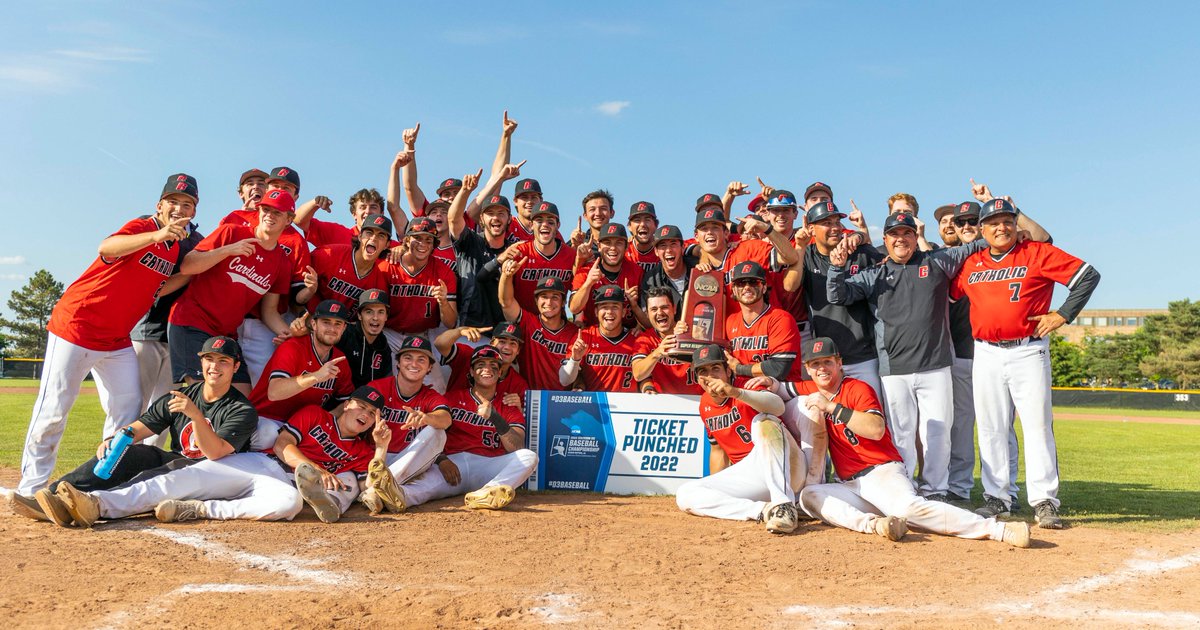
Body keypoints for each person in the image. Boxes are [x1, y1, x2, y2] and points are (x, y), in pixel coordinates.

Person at [17, 174, 198, 496]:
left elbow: (158, 287)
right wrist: (156, 234)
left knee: (127, 413)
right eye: (173, 201)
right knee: (54, 410)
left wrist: (186, 274)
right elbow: (107, 246)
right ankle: (30, 488)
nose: (179, 208)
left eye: (187, 204)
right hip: (77, 327)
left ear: (193, 213)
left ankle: (102, 482)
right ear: (160, 206)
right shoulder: (144, 227)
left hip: (116, 340)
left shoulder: (174, 250)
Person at [769, 337, 1031, 546]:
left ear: (839, 363)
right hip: (850, 485)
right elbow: (780, 389)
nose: (821, 369)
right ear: (808, 369)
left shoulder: (857, 388)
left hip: (882, 472)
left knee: (910, 509)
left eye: (827, 362)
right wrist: (767, 382)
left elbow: (875, 428)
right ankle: (876, 525)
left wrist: (832, 408)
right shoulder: (811, 388)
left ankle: (997, 529)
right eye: (815, 365)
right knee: (810, 495)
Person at [38, 385, 393, 526]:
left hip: (283, 487)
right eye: (360, 406)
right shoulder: (315, 414)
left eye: (371, 414)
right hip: (262, 463)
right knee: (181, 478)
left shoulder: (361, 452)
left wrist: (379, 447)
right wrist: (312, 467)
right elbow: (284, 445)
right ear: (348, 404)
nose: (364, 415)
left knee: (288, 505)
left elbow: (372, 480)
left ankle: (201, 510)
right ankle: (95, 504)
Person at [951, 198, 1100, 528]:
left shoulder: (1036, 253)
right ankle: (997, 498)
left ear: (1016, 226)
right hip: (985, 352)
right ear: (982, 230)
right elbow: (946, 293)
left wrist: (1063, 313)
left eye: (1007, 221)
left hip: (1028, 349)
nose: (1001, 227)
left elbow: (1087, 275)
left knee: (1036, 426)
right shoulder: (972, 262)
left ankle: (1044, 500)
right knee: (991, 427)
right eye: (993, 222)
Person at [11, 335, 258, 524]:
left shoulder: (241, 409)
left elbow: (215, 453)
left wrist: (194, 415)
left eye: (223, 361)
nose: (215, 367)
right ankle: (51, 496)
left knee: (155, 475)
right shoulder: (183, 395)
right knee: (132, 453)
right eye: (209, 359)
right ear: (201, 362)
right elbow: (140, 427)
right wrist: (115, 440)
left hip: (215, 473)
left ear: (235, 367)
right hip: (180, 461)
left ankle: (89, 505)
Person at [827, 211, 986, 499]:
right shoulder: (875, 273)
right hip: (894, 369)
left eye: (907, 233)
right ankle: (903, 489)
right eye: (894, 234)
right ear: (885, 240)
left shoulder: (936, 262)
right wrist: (836, 267)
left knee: (936, 434)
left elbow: (977, 245)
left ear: (916, 237)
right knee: (901, 435)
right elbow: (838, 295)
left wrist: (1015, 232)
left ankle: (935, 490)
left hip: (935, 366)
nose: (901, 239)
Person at [168, 188, 304, 393]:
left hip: (225, 334)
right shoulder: (232, 232)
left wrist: (289, 334)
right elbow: (188, 266)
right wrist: (228, 250)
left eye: (277, 212)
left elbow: (269, 311)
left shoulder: (282, 263)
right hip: (191, 322)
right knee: (204, 398)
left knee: (242, 400)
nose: (269, 215)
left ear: (289, 219)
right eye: (265, 209)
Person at [674, 344, 808, 535]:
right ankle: (765, 511)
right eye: (703, 371)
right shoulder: (704, 404)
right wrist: (715, 488)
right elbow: (718, 451)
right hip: (750, 475)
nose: (710, 376)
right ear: (697, 377)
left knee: (765, 421)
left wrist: (735, 392)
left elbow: (778, 407)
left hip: (786, 465)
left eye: (716, 369)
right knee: (685, 494)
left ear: (728, 371)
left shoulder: (747, 385)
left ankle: (784, 505)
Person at [393, 346, 538, 511]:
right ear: (472, 371)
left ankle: (486, 494)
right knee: (421, 489)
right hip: (454, 464)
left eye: (493, 366)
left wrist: (495, 417)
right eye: (481, 365)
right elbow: (430, 435)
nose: (487, 369)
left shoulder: (507, 404)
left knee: (529, 457)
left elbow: (517, 447)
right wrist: (441, 460)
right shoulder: (452, 398)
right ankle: (390, 496)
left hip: (489, 466)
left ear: (499, 373)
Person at [220, 167, 314, 386]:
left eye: (287, 188)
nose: (279, 190)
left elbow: (295, 296)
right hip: (227, 315)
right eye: (275, 185)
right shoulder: (237, 220)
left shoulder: (295, 241)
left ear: (295, 197)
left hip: (265, 322)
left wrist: (309, 290)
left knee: (256, 383)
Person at [796, 201, 885, 398]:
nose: (835, 227)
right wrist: (800, 247)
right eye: (827, 223)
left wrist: (861, 234)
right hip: (826, 360)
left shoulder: (861, 253)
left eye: (837, 221)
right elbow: (790, 285)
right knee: (834, 423)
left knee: (875, 418)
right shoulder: (807, 256)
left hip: (864, 356)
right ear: (811, 229)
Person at [360, 335, 453, 512]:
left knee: (438, 432)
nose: (414, 364)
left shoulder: (430, 396)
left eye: (421, 359)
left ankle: (374, 489)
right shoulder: (377, 388)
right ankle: (383, 493)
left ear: (429, 368)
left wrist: (426, 418)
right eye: (408, 358)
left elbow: (445, 419)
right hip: (377, 457)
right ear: (398, 363)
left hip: (411, 459)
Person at [247, 300, 355, 450]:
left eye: (338, 323)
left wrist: (323, 419)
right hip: (265, 418)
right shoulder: (293, 347)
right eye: (326, 322)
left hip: (299, 426)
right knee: (269, 435)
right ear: (314, 324)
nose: (332, 328)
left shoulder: (340, 360)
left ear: (344, 328)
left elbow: (345, 403)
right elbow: (274, 392)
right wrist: (316, 376)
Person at [725, 261, 804, 383]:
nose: (747, 287)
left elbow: (778, 369)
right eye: (741, 283)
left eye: (753, 282)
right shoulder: (730, 322)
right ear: (734, 290)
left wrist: (739, 369)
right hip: (744, 390)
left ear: (764, 287)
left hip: (781, 389)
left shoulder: (780, 319)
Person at [498, 274, 578, 391]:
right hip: (528, 397)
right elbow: (506, 302)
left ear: (563, 302)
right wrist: (506, 275)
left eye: (555, 297)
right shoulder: (528, 321)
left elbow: (573, 375)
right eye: (544, 297)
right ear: (536, 300)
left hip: (562, 401)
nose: (549, 302)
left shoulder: (574, 332)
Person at [560, 285, 643, 392]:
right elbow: (564, 380)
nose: (609, 311)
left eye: (615, 307)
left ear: (623, 312)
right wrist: (574, 360)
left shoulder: (636, 339)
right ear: (596, 312)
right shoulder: (584, 337)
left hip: (628, 405)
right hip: (595, 405)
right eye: (604, 307)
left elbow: (646, 377)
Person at [306, 214, 391, 317]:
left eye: (381, 236)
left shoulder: (379, 282)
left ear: (387, 245)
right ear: (360, 236)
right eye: (369, 233)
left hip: (343, 327)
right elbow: (295, 286)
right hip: (306, 316)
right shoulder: (329, 254)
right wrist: (303, 313)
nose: (373, 238)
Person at [570, 222, 647, 329]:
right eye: (607, 242)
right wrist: (588, 283)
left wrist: (638, 325)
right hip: (593, 334)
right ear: (599, 246)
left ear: (626, 247)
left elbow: (648, 320)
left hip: (627, 334)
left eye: (618, 243)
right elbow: (574, 308)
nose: (613, 248)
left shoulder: (637, 272)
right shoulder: (587, 270)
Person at [434, 322, 529, 408]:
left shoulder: (519, 385)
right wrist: (459, 330)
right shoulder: (470, 356)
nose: (507, 347)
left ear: (518, 351)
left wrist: (518, 408)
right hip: (452, 418)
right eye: (502, 342)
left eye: (513, 344)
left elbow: (520, 423)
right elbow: (440, 344)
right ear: (492, 343)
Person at [505, 201, 576, 313]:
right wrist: (505, 275)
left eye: (550, 222)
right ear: (531, 225)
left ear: (558, 226)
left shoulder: (572, 256)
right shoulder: (519, 252)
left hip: (555, 322)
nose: (545, 225)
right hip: (522, 320)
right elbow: (505, 300)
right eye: (539, 221)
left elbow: (577, 293)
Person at [631, 288, 702, 395]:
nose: (660, 313)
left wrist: (686, 337)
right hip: (664, 403)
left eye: (664, 307)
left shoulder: (692, 330)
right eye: (654, 309)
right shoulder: (645, 339)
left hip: (697, 400)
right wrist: (657, 353)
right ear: (647, 314)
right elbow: (638, 374)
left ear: (674, 309)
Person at [638, 225, 693, 314]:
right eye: (663, 246)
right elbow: (649, 319)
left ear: (683, 247)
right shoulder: (650, 280)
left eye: (673, 244)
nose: (668, 250)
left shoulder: (698, 268)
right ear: (656, 251)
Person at [625, 201, 661, 274]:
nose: (642, 224)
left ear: (656, 225)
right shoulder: (623, 251)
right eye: (637, 220)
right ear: (629, 226)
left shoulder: (664, 249)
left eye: (647, 220)